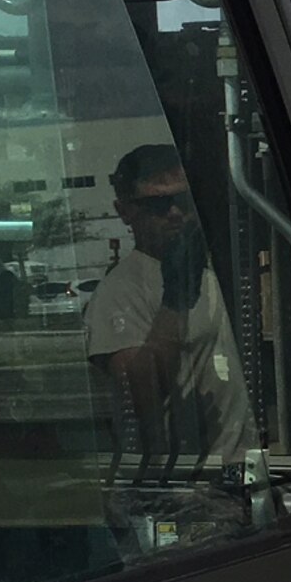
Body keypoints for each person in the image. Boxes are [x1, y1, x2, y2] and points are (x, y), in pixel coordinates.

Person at [85, 143, 254, 478]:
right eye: (158, 204)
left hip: (235, 469)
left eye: (183, 200)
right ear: (125, 211)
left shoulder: (204, 272)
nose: (176, 213)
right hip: (187, 482)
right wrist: (174, 299)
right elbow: (139, 394)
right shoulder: (120, 292)